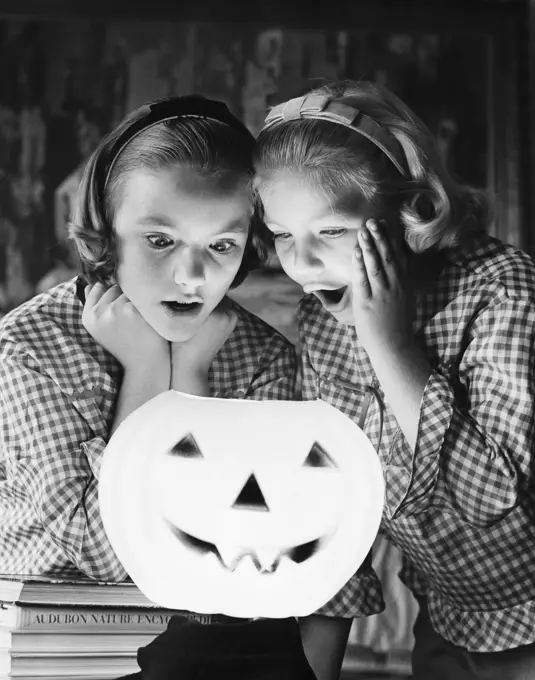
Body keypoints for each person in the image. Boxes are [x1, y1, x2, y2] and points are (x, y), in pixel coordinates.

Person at [0, 95, 317, 680]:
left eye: (221, 245)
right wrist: (148, 372)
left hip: (208, 653)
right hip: (58, 657)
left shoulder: (263, 357)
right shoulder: (26, 351)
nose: (192, 277)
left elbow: (246, 548)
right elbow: (111, 555)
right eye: (159, 240)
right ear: (106, 231)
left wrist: (190, 375)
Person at [253, 80, 535, 680]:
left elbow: (489, 496)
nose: (300, 264)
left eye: (330, 231)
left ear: (408, 210)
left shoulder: (501, 289)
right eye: (282, 235)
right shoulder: (322, 322)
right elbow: (334, 505)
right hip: (446, 618)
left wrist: (390, 343)